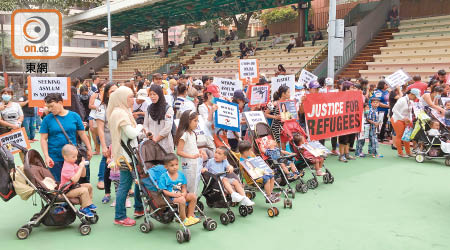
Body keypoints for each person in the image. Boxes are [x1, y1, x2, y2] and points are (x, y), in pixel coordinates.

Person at [107, 86, 145, 226]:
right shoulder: (120, 113)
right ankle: (120, 216)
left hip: (129, 155)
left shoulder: (123, 111)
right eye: (130, 97)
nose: (133, 99)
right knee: (125, 185)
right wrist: (140, 126)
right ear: (122, 98)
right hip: (126, 157)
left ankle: (139, 209)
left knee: (136, 181)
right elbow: (131, 134)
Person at [40, 93, 93, 182]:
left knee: (77, 182)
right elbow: (43, 139)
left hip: (73, 156)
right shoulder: (47, 119)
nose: (50, 109)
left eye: (52, 106)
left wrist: (89, 148)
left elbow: (82, 134)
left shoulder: (74, 116)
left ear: (60, 102)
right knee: (59, 185)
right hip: (55, 157)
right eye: (48, 107)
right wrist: (46, 156)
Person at [157, 153, 200, 226]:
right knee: (182, 200)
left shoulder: (181, 175)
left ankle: (190, 216)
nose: (175, 167)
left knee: (193, 196)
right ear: (166, 167)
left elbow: (184, 187)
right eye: (172, 165)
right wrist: (174, 195)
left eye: (176, 164)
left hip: (181, 195)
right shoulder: (164, 177)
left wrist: (184, 193)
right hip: (170, 198)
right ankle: (183, 219)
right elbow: (163, 191)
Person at [95, 83, 119, 204]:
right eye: (111, 91)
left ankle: (123, 191)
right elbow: (100, 128)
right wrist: (103, 146)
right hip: (108, 143)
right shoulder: (102, 107)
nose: (114, 94)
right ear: (106, 94)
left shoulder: (120, 106)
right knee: (107, 168)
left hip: (120, 144)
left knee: (124, 167)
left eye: (116, 91)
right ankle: (107, 193)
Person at [175, 110, 207, 195]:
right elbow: (179, 151)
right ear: (187, 121)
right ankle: (188, 204)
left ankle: (192, 203)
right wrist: (191, 156)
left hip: (195, 163)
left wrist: (199, 151)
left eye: (197, 121)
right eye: (195, 121)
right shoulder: (184, 135)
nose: (197, 123)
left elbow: (192, 147)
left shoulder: (193, 134)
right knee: (188, 185)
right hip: (188, 164)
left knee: (195, 184)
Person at [60, 144, 96, 217]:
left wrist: (83, 167)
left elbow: (83, 175)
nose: (76, 158)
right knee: (83, 190)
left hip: (73, 188)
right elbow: (75, 180)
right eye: (73, 157)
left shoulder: (73, 164)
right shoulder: (67, 167)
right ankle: (83, 208)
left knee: (88, 186)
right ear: (65, 157)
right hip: (66, 191)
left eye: (76, 156)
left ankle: (88, 204)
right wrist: (80, 167)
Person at [144, 84, 175, 154]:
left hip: (165, 145)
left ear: (159, 94)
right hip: (151, 145)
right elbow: (145, 125)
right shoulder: (149, 108)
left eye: (154, 94)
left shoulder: (168, 109)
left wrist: (156, 139)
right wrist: (148, 133)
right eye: (150, 94)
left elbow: (167, 128)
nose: (152, 97)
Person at [391, 88, 420, 158]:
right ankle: (400, 153)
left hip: (405, 120)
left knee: (407, 136)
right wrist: (403, 118)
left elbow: (409, 112)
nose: (416, 98)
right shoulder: (402, 100)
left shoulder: (411, 101)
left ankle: (408, 152)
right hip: (397, 119)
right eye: (415, 96)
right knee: (400, 136)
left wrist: (409, 121)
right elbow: (394, 110)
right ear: (411, 94)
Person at [338, 82, 357, 162]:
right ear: (346, 88)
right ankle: (341, 155)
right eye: (352, 87)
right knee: (343, 139)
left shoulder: (354, 97)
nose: (354, 89)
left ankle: (347, 154)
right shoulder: (340, 96)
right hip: (343, 120)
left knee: (350, 138)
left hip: (351, 119)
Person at [88, 82, 106, 155]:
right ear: (100, 88)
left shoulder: (107, 96)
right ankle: (97, 149)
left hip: (103, 115)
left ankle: (105, 148)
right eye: (103, 86)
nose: (104, 88)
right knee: (93, 131)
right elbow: (90, 105)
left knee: (102, 131)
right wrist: (97, 107)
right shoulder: (95, 95)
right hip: (93, 115)